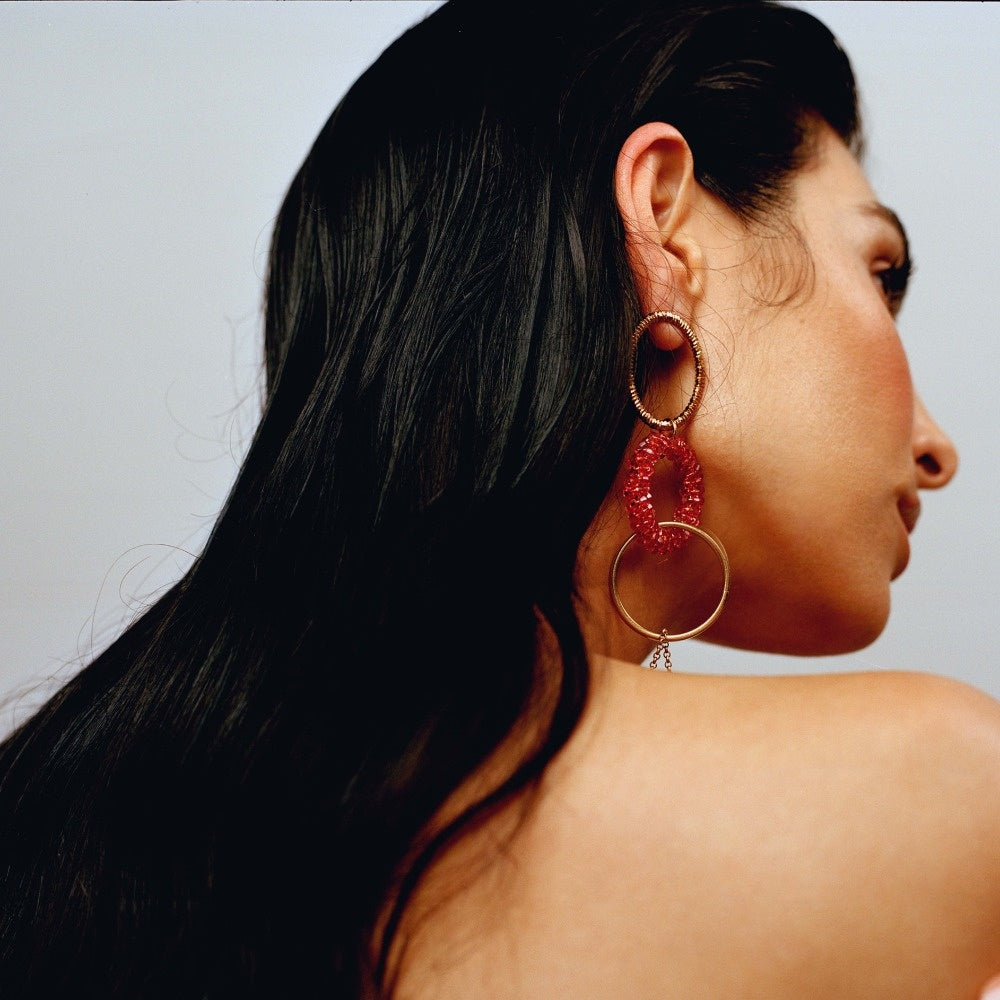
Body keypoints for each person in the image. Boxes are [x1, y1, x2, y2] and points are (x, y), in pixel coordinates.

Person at [1, 1, 997, 997]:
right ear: (668, 229)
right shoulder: (933, 792)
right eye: (880, 271)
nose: (936, 449)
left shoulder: (58, 806)